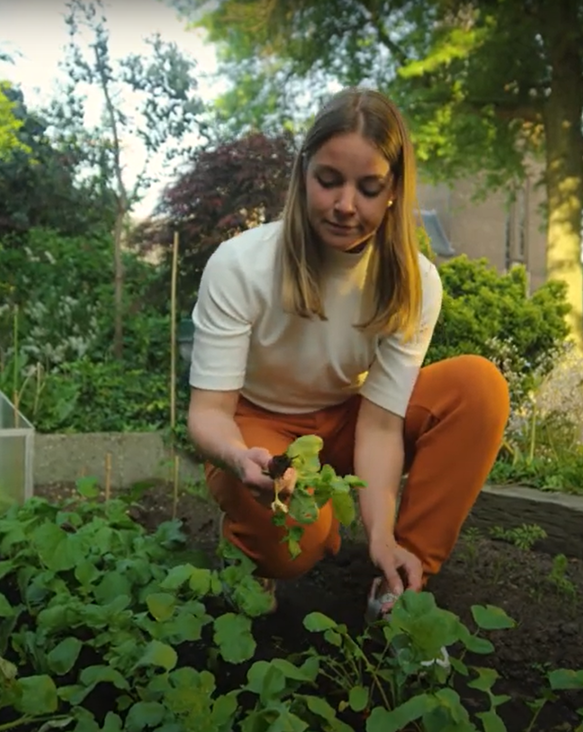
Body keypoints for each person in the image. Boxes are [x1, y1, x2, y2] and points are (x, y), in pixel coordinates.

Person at [184, 87, 510, 622]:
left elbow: (381, 426)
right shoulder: (240, 265)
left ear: (393, 191)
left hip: (348, 420)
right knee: (302, 543)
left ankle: (401, 576)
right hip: (257, 431)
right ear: (303, 173)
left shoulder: (415, 283)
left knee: (477, 386)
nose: (344, 206)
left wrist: (380, 532)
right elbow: (209, 413)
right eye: (328, 181)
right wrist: (241, 458)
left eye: (369, 187)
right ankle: (248, 546)